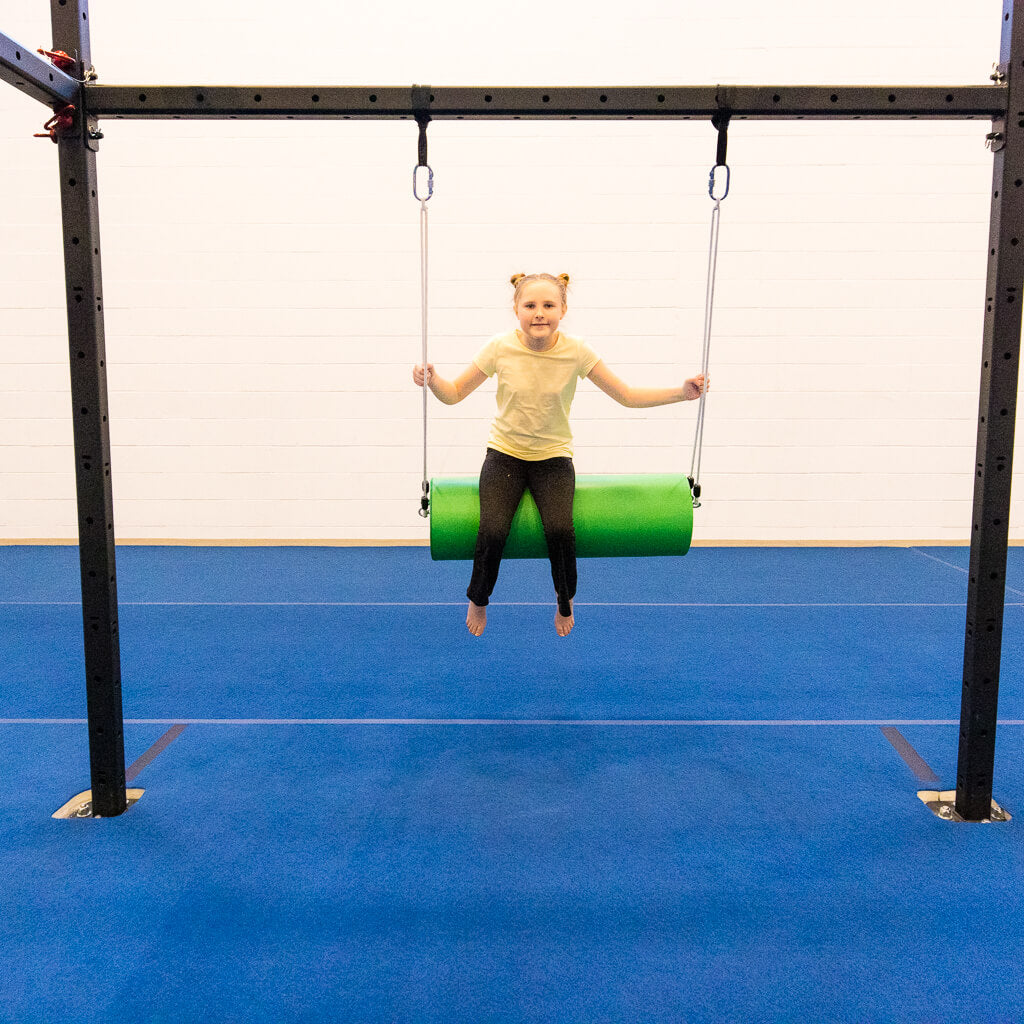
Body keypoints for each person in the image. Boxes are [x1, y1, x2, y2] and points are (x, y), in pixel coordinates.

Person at [412, 272, 707, 638]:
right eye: (530, 305)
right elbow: (454, 393)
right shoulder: (499, 348)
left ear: (563, 309)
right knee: (491, 530)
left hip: (553, 459)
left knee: (560, 530)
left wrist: (681, 392)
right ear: (516, 309)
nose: (539, 313)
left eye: (548, 305)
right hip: (505, 455)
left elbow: (627, 395)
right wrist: (433, 380)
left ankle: (564, 599)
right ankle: (478, 598)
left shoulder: (577, 351)